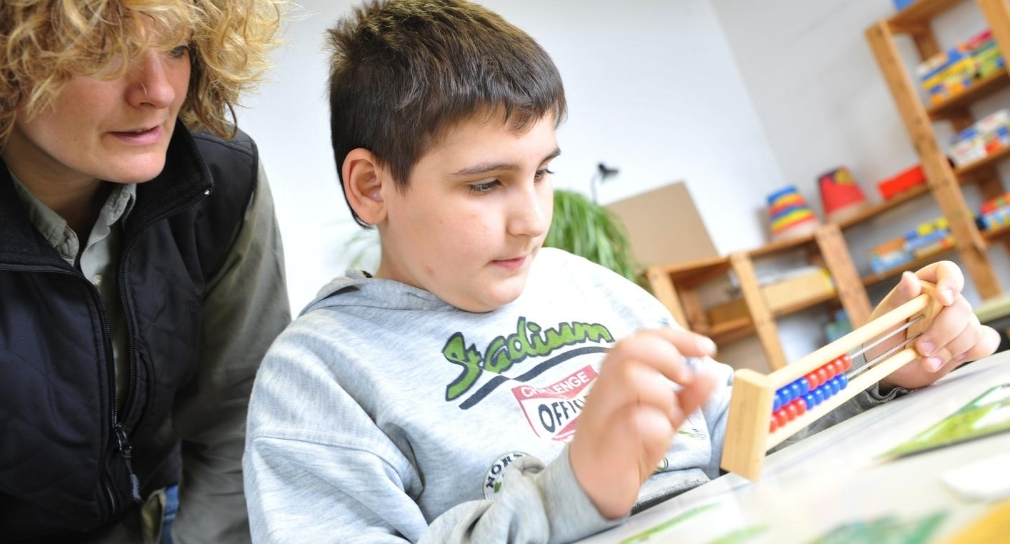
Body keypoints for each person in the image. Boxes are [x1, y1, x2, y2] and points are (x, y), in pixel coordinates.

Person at [242, 1, 1001, 542]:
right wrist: (572, 495)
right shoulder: (317, 378)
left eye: (543, 173)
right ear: (372, 187)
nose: (533, 218)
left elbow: (738, 435)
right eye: (485, 184)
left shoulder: (586, 285)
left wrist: (876, 365)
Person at [0, 0, 291, 542]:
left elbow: (241, 416)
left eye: (177, 47)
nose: (157, 91)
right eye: (106, 52)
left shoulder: (220, 176)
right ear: (10, 61)